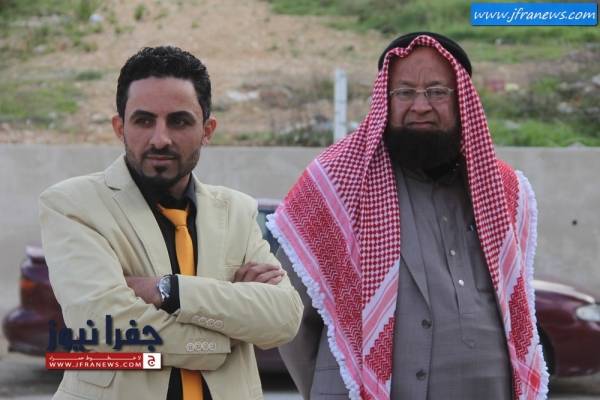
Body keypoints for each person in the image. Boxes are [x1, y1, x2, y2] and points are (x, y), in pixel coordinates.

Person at [268, 32, 548, 400]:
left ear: (462, 100)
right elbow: (287, 313)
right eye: (404, 92)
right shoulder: (336, 183)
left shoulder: (503, 189)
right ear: (385, 100)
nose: (420, 106)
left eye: (436, 91)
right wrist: (330, 388)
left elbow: (517, 307)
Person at [39, 46, 303, 400]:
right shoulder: (75, 204)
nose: (160, 138)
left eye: (179, 121)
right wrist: (226, 332)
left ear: (207, 129)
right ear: (119, 127)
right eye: (144, 120)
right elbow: (102, 323)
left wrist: (168, 290)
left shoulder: (237, 211)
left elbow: (283, 318)